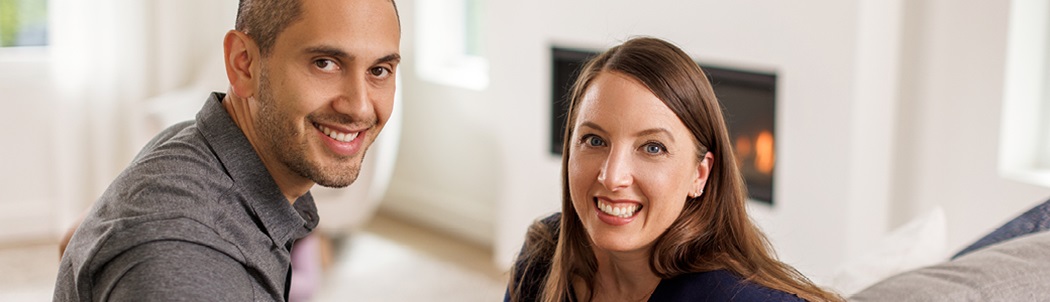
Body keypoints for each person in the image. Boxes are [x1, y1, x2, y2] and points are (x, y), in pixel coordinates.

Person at [53, 0, 401, 300]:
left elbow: (77, 234)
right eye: (325, 62)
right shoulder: (186, 267)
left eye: (379, 70)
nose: (359, 107)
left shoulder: (191, 142)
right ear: (243, 63)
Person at [506, 37, 843, 302]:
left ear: (700, 174)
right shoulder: (543, 253)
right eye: (594, 140)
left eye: (653, 147)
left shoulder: (735, 297)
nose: (612, 176)